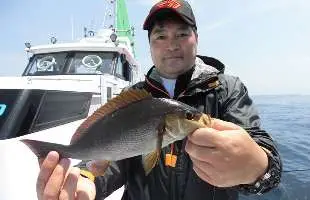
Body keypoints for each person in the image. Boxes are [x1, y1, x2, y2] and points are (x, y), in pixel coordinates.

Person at [36, 0, 282, 199]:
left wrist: (258, 167)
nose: (171, 45)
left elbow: (263, 153)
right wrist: (86, 180)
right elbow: (115, 157)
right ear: (150, 46)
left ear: (196, 37)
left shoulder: (227, 90)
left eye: (182, 34)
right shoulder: (130, 97)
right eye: (160, 37)